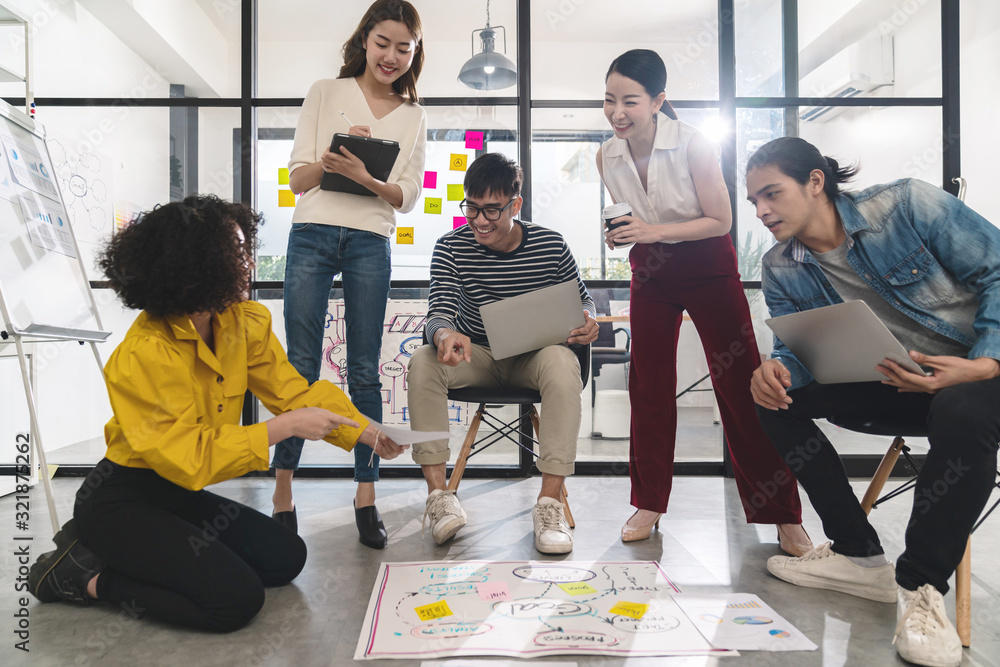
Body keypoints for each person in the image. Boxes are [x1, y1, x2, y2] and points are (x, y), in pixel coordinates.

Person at [26, 195, 404, 632]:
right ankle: (83, 576)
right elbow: (191, 458)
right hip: (122, 498)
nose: (248, 263)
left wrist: (366, 432)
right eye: (237, 253)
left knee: (287, 557)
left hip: (175, 492)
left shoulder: (243, 322)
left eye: (245, 250)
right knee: (234, 600)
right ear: (196, 264)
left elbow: (292, 392)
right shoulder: (144, 353)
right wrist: (281, 429)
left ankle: (149, 556)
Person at [747, 136, 1000, 667]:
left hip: (979, 377)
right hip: (899, 384)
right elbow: (797, 349)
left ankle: (921, 588)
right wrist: (777, 371)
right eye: (754, 202)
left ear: (816, 181)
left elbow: (998, 270)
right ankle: (857, 555)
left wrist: (983, 363)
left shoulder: (907, 204)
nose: (762, 210)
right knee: (771, 399)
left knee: (962, 407)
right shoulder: (781, 265)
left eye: (772, 193)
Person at [596, 49, 808, 549]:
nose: (617, 112)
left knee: (741, 383)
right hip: (650, 269)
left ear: (658, 101)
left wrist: (653, 228)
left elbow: (721, 220)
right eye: (608, 101)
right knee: (648, 384)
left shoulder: (692, 144)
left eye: (630, 101)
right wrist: (624, 234)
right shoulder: (606, 153)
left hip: (707, 264)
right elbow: (631, 215)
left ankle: (782, 511)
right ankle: (648, 501)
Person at [271, 0, 427, 548]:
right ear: (365, 40)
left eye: (403, 48)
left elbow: (408, 196)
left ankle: (366, 495)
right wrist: (338, 158)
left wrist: (366, 175)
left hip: (370, 240)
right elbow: (297, 179)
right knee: (300, 364)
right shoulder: (325, 91)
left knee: (364, 368)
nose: (391, 56)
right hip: (313, 232)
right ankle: (283, 491)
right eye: (383, 42)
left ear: (413, 53)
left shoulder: (413, 115)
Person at [406, 152, 599, 554]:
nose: (479, 221)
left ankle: (549, 506)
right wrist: (443, 334)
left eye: (492, 210)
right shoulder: (451, 247)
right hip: (477, 357)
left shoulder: (549, 243)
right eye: (471, 208)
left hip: (534, 359)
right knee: (423, 362)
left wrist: (588, 321)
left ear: (516, 204)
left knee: (563, 363)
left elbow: (583, 301)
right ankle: (440, 498)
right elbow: (439, 308)